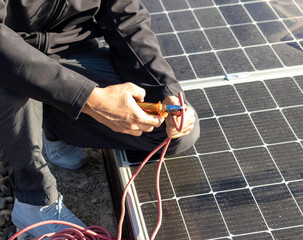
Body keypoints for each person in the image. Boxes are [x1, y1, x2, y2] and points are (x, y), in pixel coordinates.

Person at [0, 0, 199, 237]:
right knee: (7, 83)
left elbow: (127, 19)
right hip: (9, 59)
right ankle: (33, 201)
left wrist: (163, 90)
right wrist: (90, 99)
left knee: (174, 134)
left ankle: (51, 125)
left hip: (74, 53)